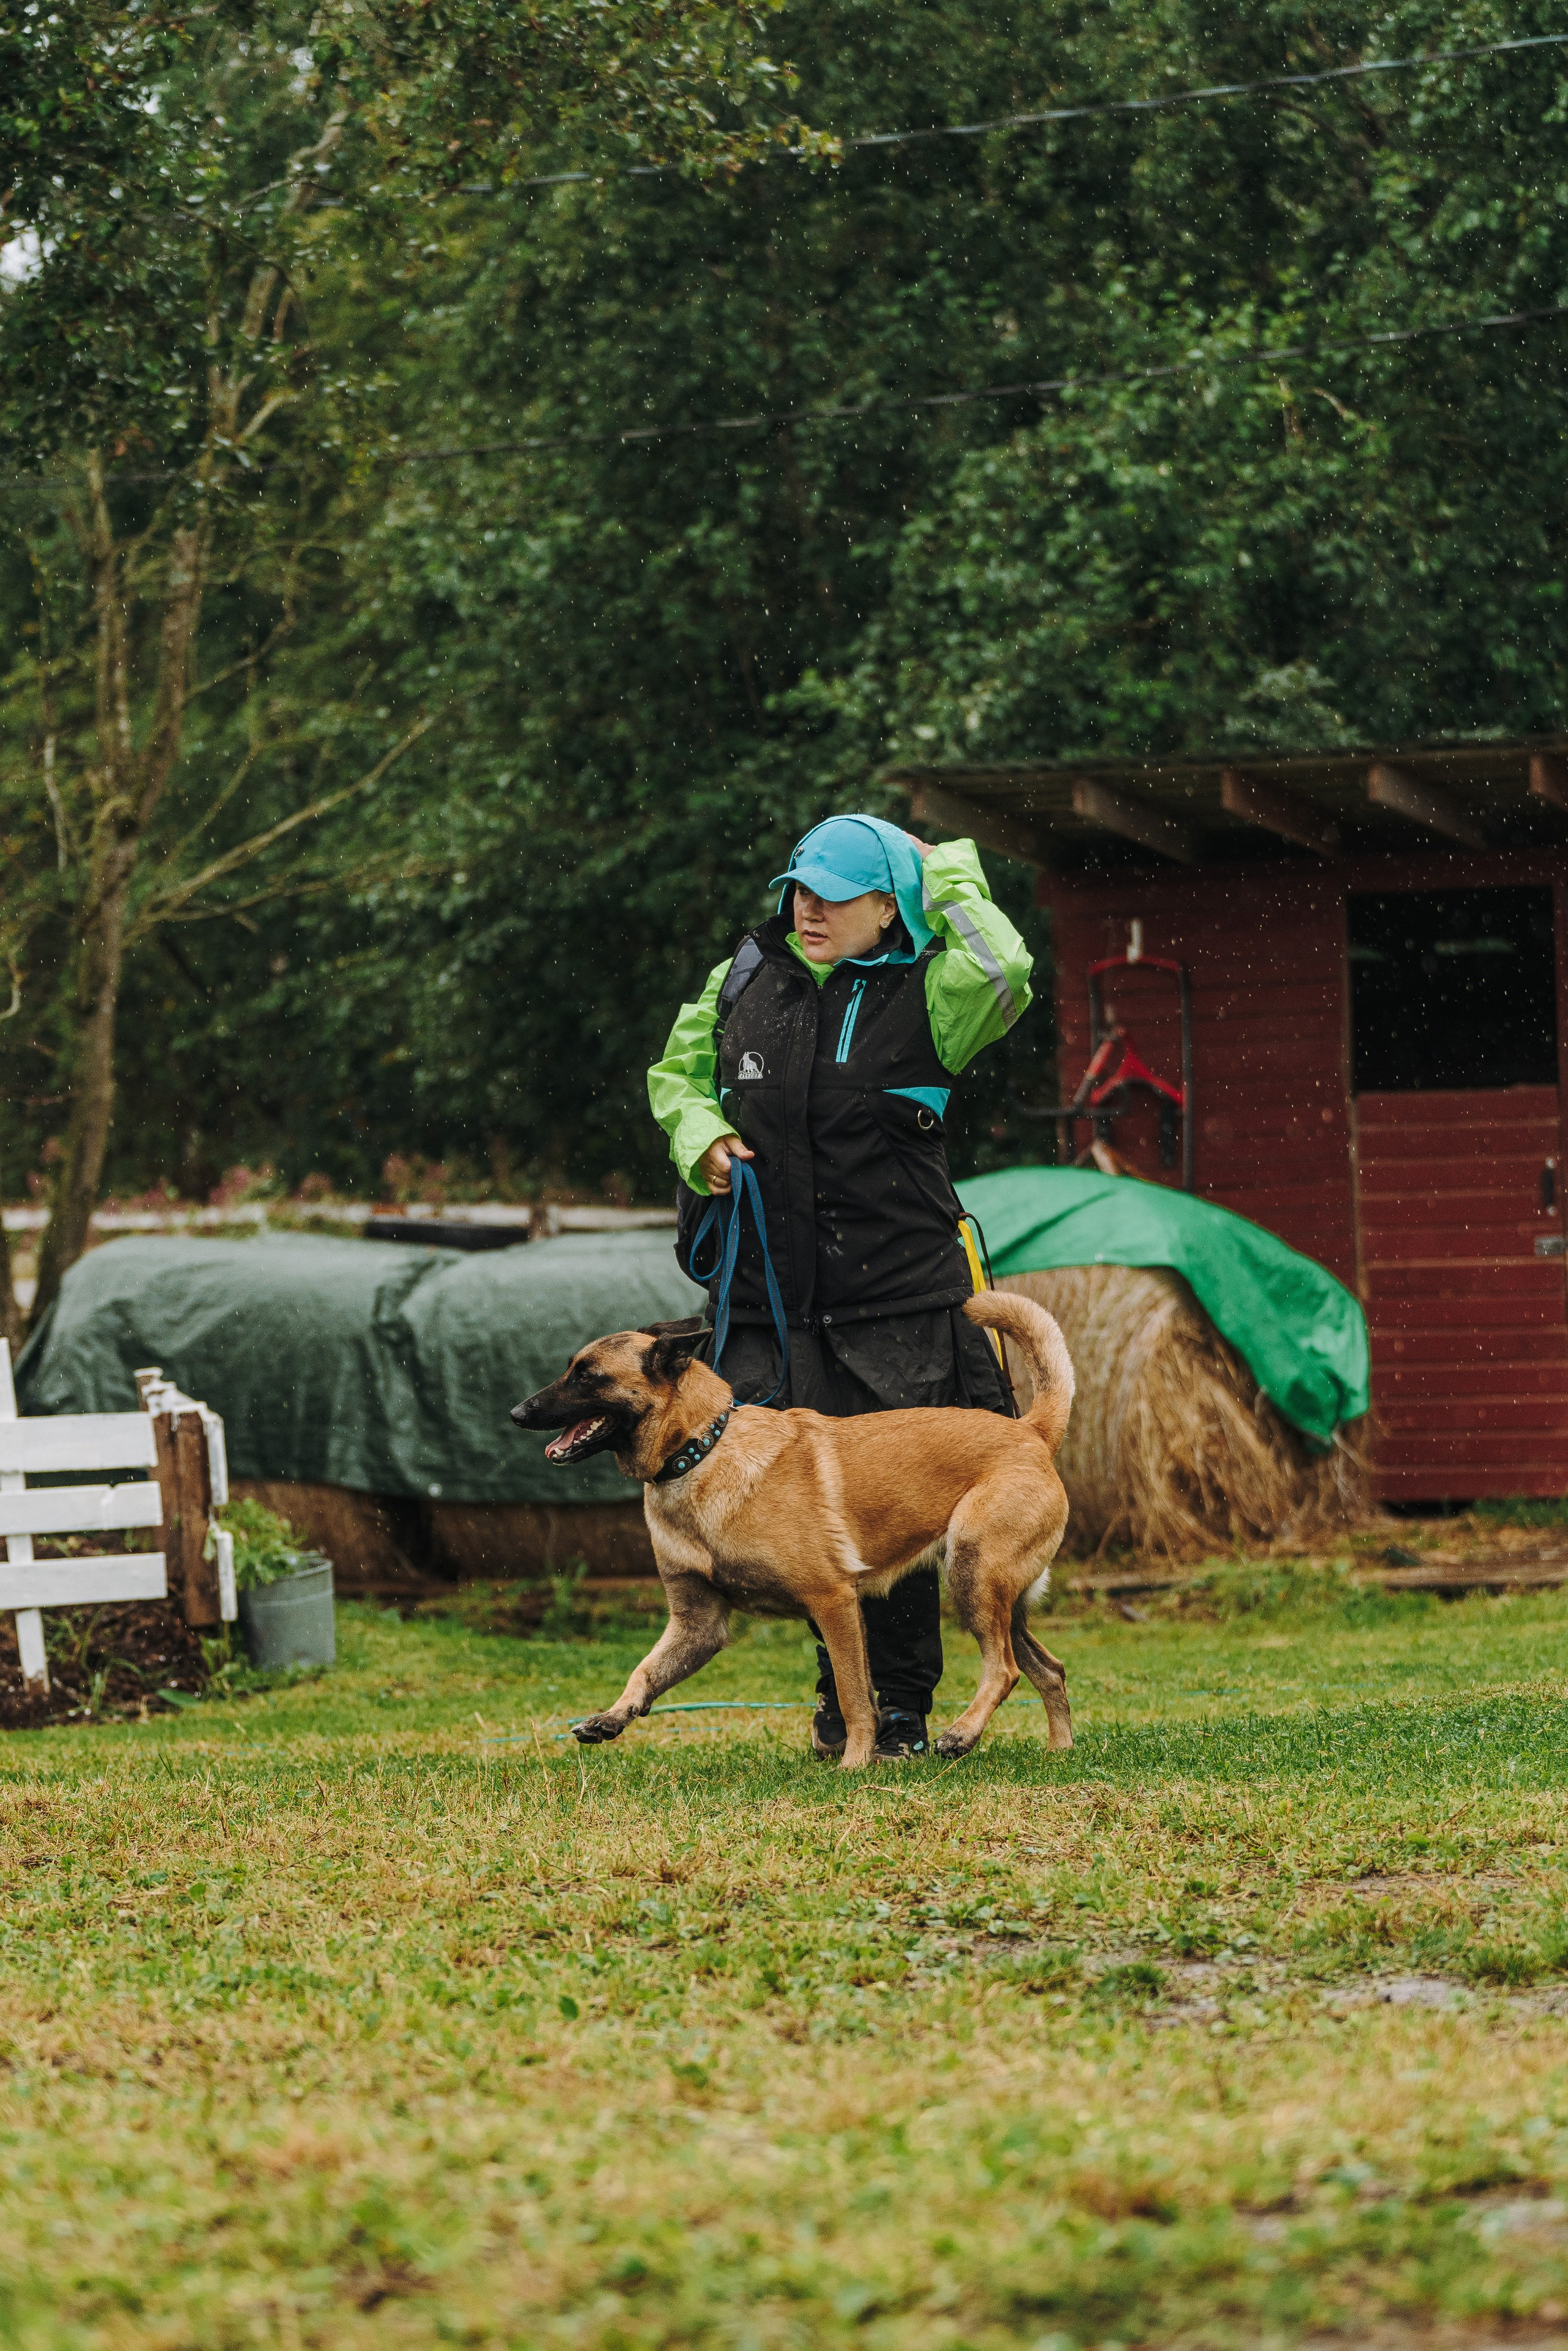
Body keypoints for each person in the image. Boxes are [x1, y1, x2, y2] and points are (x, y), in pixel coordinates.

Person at [646, 813, 1034, 1760]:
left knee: (894, 1526)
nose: (808, 908)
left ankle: (897, 1711)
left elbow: (1003, 967)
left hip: (897, 1308)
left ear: (888, 906)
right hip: (766, 1306)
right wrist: (698, 1137)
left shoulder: (936, 989)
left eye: (838, 894)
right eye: (800, 889)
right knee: (788, 1524)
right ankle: (838, 1705)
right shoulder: (744, 976)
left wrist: (947, 871)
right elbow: (677, 1072)